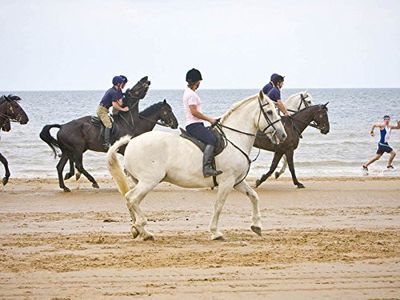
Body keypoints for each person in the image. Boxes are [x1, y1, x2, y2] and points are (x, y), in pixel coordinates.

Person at [183, 68, 223, 177]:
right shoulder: (191, 95)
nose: (200, 83)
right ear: (196, 82)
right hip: (194, 125)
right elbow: (194, 112)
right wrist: (210, 119)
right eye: (199, 81)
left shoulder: (188, 92)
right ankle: (207, 168)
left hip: (195, 124)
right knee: (212, 140)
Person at [97, 76, 129, 149]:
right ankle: (106, 143)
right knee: (108, 125)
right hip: (102, 111)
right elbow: (115, 105)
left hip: (104, 109)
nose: (122, 84)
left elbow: (118, 102)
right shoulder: (113, 92)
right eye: (121, 83)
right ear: (118, 84)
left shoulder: (114, 90)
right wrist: (123, 109)